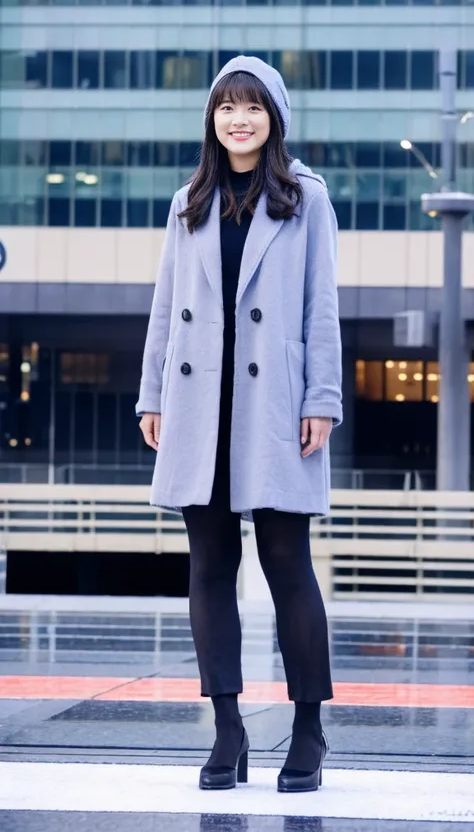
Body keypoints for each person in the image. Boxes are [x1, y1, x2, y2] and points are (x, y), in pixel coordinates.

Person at [136, 55, 342, 794]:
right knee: (208, 566)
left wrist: (323, 397)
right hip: (199, 405)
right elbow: (166, 304)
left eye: (253, 106)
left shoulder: (306, 196)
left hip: (277, 407)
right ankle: (228, 727)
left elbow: (322, 305)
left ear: (274, 117)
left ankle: (310, 728)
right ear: (212, 119)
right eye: (227, 106)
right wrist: (149, 395)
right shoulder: (190, 197)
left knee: (287, 564)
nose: (239, 119)